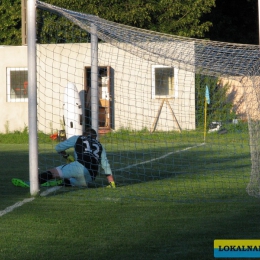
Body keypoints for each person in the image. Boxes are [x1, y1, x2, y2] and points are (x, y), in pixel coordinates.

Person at [12, 128, 116, 188]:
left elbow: (58, 147)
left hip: (80, 166)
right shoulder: (100, 145)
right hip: (90, 178)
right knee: (71, 180)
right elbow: (105, 165)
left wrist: (66, 155)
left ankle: (31, 184)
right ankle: (59, 182)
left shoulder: (78, 138)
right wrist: (111, 183)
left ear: (84, 134)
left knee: (52, 172)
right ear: (95, 138)